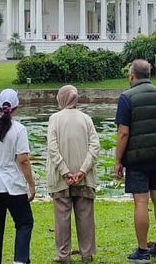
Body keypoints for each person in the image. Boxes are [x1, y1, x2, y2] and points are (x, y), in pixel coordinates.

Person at [114, 59, 156, 262]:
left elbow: (123, 133)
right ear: (149, 74)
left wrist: (118, 160)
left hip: (137, 157)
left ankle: (142, 250)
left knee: (141, 201)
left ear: (132, 75)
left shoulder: (126, 97)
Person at [0, 88, 36, 264]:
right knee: (24, 223)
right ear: (17, 106)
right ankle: (19, 260)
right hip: (12, 184)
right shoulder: (19, 129)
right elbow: (23, 159)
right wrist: (31, 184)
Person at [46, 85, 98, 264]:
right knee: (85, 215)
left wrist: (65, 172)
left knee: (62, 216)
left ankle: (63, 255)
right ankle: (86, 253)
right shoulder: (86, 119)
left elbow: (52, 148)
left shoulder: (55, 119)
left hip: (62, 178)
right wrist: (83, 170)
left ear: (61, 98)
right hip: (84, 176)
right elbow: (94, 147)